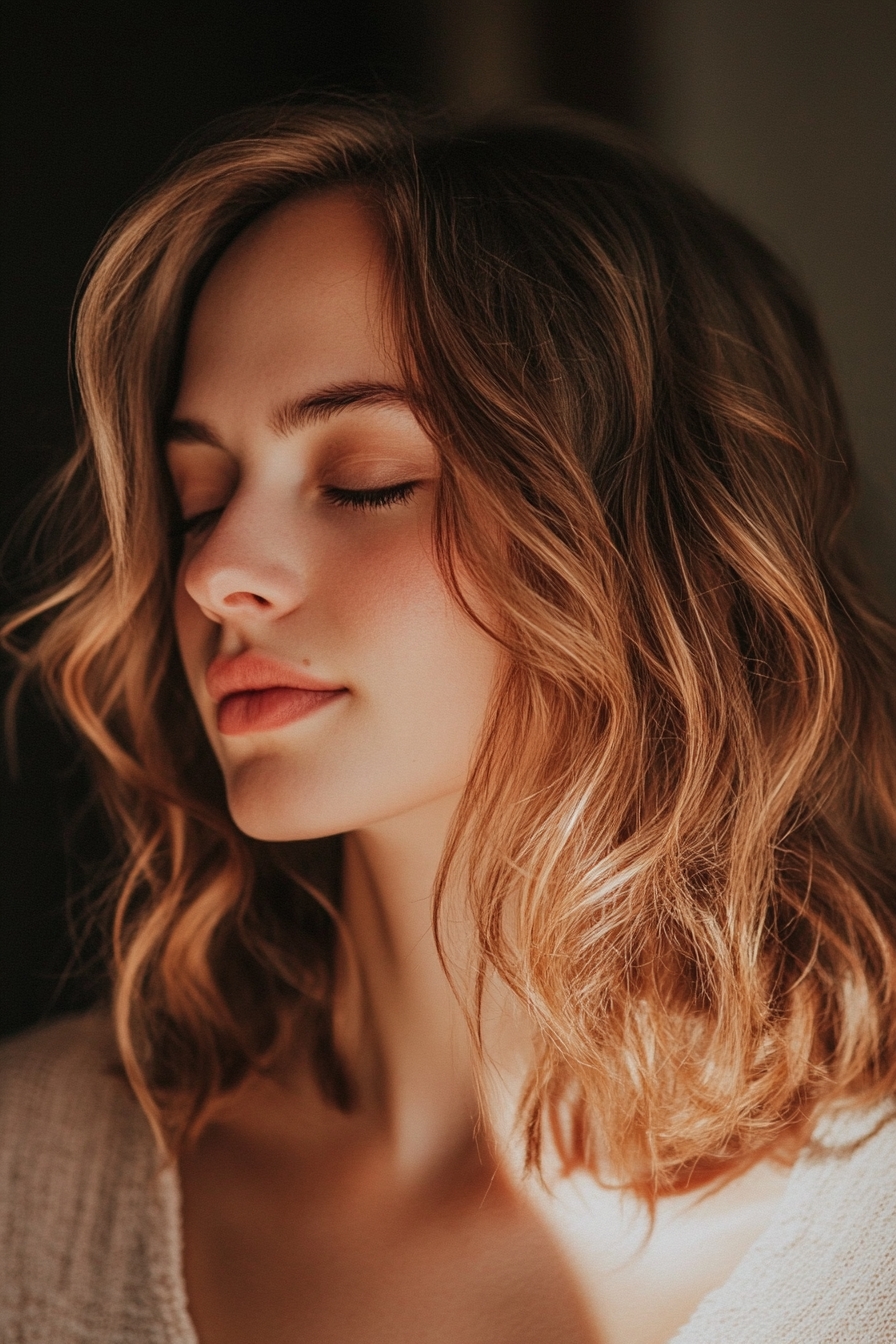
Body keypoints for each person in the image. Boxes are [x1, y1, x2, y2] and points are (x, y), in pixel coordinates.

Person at [1, 100, 895, 1344]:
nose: (216, 575)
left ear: (645, 542)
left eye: (366, 481)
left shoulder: (868, 1243)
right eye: (197, 494)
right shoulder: (28, 1179)